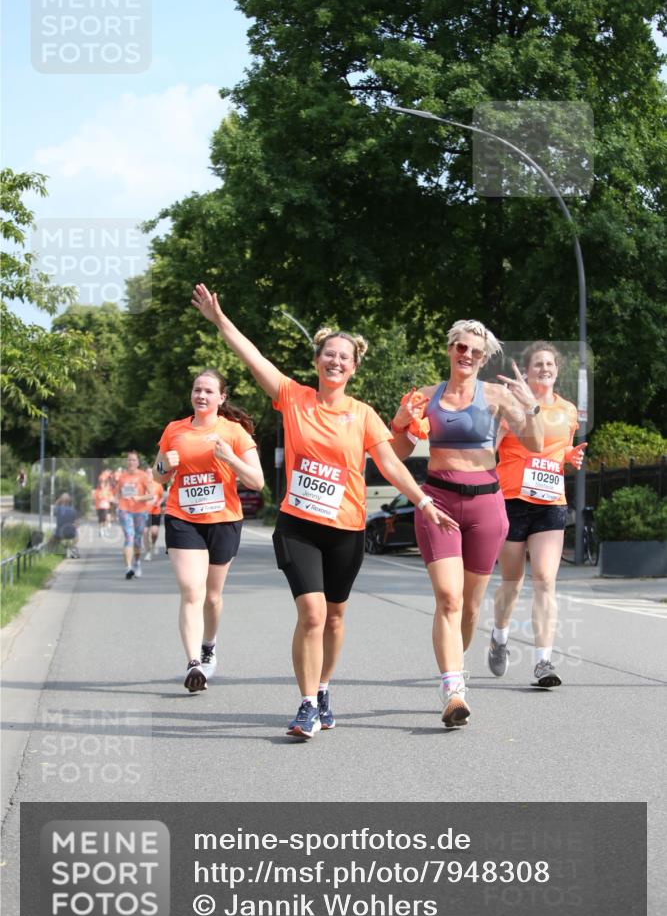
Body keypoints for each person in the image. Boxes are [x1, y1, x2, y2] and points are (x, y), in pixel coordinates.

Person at [191, 282, 457, 739]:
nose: (335, 361)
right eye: (328, 354)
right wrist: (220, 320)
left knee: (335, 617)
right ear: (317, 361)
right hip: (299, 526)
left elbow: (390, 463)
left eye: (344, 357)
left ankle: (324, 687)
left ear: (353, 367)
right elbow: (253, 357)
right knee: (312, 614)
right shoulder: (293, 397)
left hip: (346, 530)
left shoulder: (363, 414)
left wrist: (424, 500)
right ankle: (307, 704)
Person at [390, 320, 544, 728]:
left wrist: (531, 406)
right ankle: (453, 689)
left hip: (486, 506)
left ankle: (456, 670)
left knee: (471, 607)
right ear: (450, 349)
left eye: (476, 352)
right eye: (461, 347)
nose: (468, 355)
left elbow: (536, 443)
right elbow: (397, 453)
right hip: (438, 502)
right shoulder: (425, 397)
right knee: (448, 597)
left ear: (484, 358)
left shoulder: (496, 396)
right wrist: (402, 421)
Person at [154, 368, 264, 693]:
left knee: (212, 598)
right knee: (192, 591)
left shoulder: (234, 432)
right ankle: (193, 664)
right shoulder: (174, 430)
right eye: (197, 390)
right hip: (183, 518)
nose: (201, 395)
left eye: (208, 391)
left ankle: (209, 646)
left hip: (223, 520)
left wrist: (230, 458)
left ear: (221, 397)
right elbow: (158, 475)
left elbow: (257, 482)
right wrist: (165, 465)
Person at [489, 341, 586, 688]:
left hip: (550, 502)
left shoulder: (568, 410)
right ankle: (499, 635)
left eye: (550, 364)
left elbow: (558, 449)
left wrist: (570, 457)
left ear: (557, 370)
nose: (545, 369)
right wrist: (498, 434)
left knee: (545, 579)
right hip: (512, 500)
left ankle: (543, 661)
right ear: (526, 372)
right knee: (512, 583)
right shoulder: (511, 407)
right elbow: (488, 451)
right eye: (538, 364)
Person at [116, 452, 153, 579]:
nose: (131, 462)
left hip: (140, 511)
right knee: (129, 537)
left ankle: (137, 562)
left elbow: (151, 495)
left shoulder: (143, 476)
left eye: (133, 460)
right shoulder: (122, 477)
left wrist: (139, 498)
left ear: (137, 462)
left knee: (137, 540)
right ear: (126, 462)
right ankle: (128, 568)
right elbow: (118, 494)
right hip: (125, 510)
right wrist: (116, 504)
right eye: (129, 460)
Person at [142, 467, 164, 561]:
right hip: (144, 512)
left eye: (150, 473)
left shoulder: (158, 485)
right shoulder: (142, 485)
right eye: (147, 473)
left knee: (154, 532)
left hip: (155, 511)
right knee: (145, 532)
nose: (149, 475)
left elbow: (162, 497)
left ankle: (153, 544)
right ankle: (148, 552)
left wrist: (159, 503)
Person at [50, 493, 80, 558]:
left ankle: (51, 550)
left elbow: (54, 508)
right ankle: (72, 547)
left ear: (61, 500)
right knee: (77, 532)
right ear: (69, 501)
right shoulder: (73, 510)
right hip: (71, 534)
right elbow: (77, 525)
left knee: (53, 535)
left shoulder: (58, 509)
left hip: (59, 534)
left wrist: (59, 500)